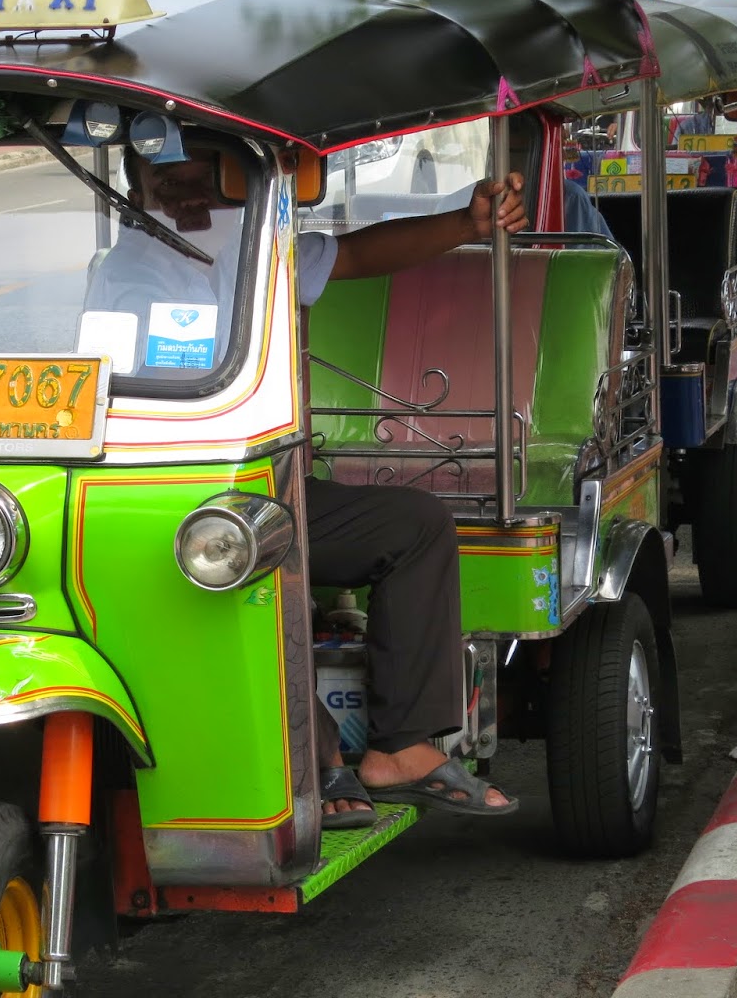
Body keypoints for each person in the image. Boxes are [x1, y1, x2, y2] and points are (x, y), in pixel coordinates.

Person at [88, 140, 529, 826]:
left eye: (203, 176)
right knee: (258, 574)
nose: (189, 195)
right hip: (173, 498)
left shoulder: (246, 242)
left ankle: (401, 748)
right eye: (167, 181)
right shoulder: (132, 275)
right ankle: (317, 753)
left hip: (265, 481)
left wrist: (465, 226)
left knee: (415, 525)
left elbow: (350, 255)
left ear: (232, 179)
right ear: (136, 184)